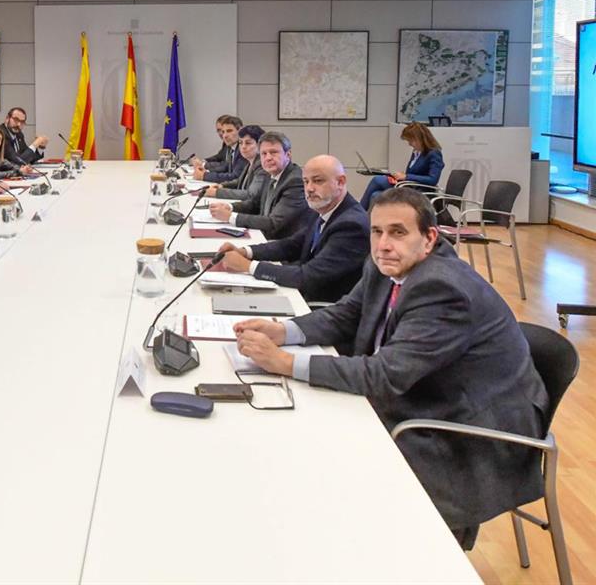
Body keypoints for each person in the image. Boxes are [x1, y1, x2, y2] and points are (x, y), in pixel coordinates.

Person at [234, 187, 548, 549]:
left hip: (470, 434)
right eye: (377, 231)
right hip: (426, 394)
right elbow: (348, 314)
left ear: (429, 237)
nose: (383, 243)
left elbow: (383, 375)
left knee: (332, 465)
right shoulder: (388, 262)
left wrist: (285, 362)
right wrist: (284, 330)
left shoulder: (443, 288)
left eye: (398, 232)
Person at [217, 155, 369, 303]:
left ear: (340, 182)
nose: (309, 188)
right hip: (302, 294)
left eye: (318, 181)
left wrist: (248, 266)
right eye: (306, 181)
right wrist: (245, 251)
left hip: (320, 307)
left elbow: (309, 277)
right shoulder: (326, 209)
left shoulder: (350, 226)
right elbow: (292, 245)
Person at [208, 131, 310, 239]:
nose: (268, 158)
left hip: (281, 244)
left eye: (273, 152)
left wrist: (231, 217)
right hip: (262, 236)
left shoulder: (294, 181)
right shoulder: (269, 173)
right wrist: (230, 207)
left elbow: (274, 223)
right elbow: (255, 204)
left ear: (288, 155)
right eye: (264, 154)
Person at [361, 121, 445, 209]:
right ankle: (367, 220)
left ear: (419, 138)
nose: (409, 144)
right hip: (408, 186)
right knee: (375, 195)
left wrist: (406, 177)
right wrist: (399, 177)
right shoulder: (416, 152)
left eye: (410, 140)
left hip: (420, 190)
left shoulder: (434, 153)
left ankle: (358, 214)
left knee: (377, 180)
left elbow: (433, 179)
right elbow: (411, 174)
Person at [205, 124, 264, 198]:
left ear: (260, 145)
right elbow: (240, 181)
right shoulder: (250, 161)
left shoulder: (262, 165)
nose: (243, 147)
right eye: (241, 143)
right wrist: (222, 185)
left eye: (248, 143)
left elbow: (251, 194)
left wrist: (218, 192)